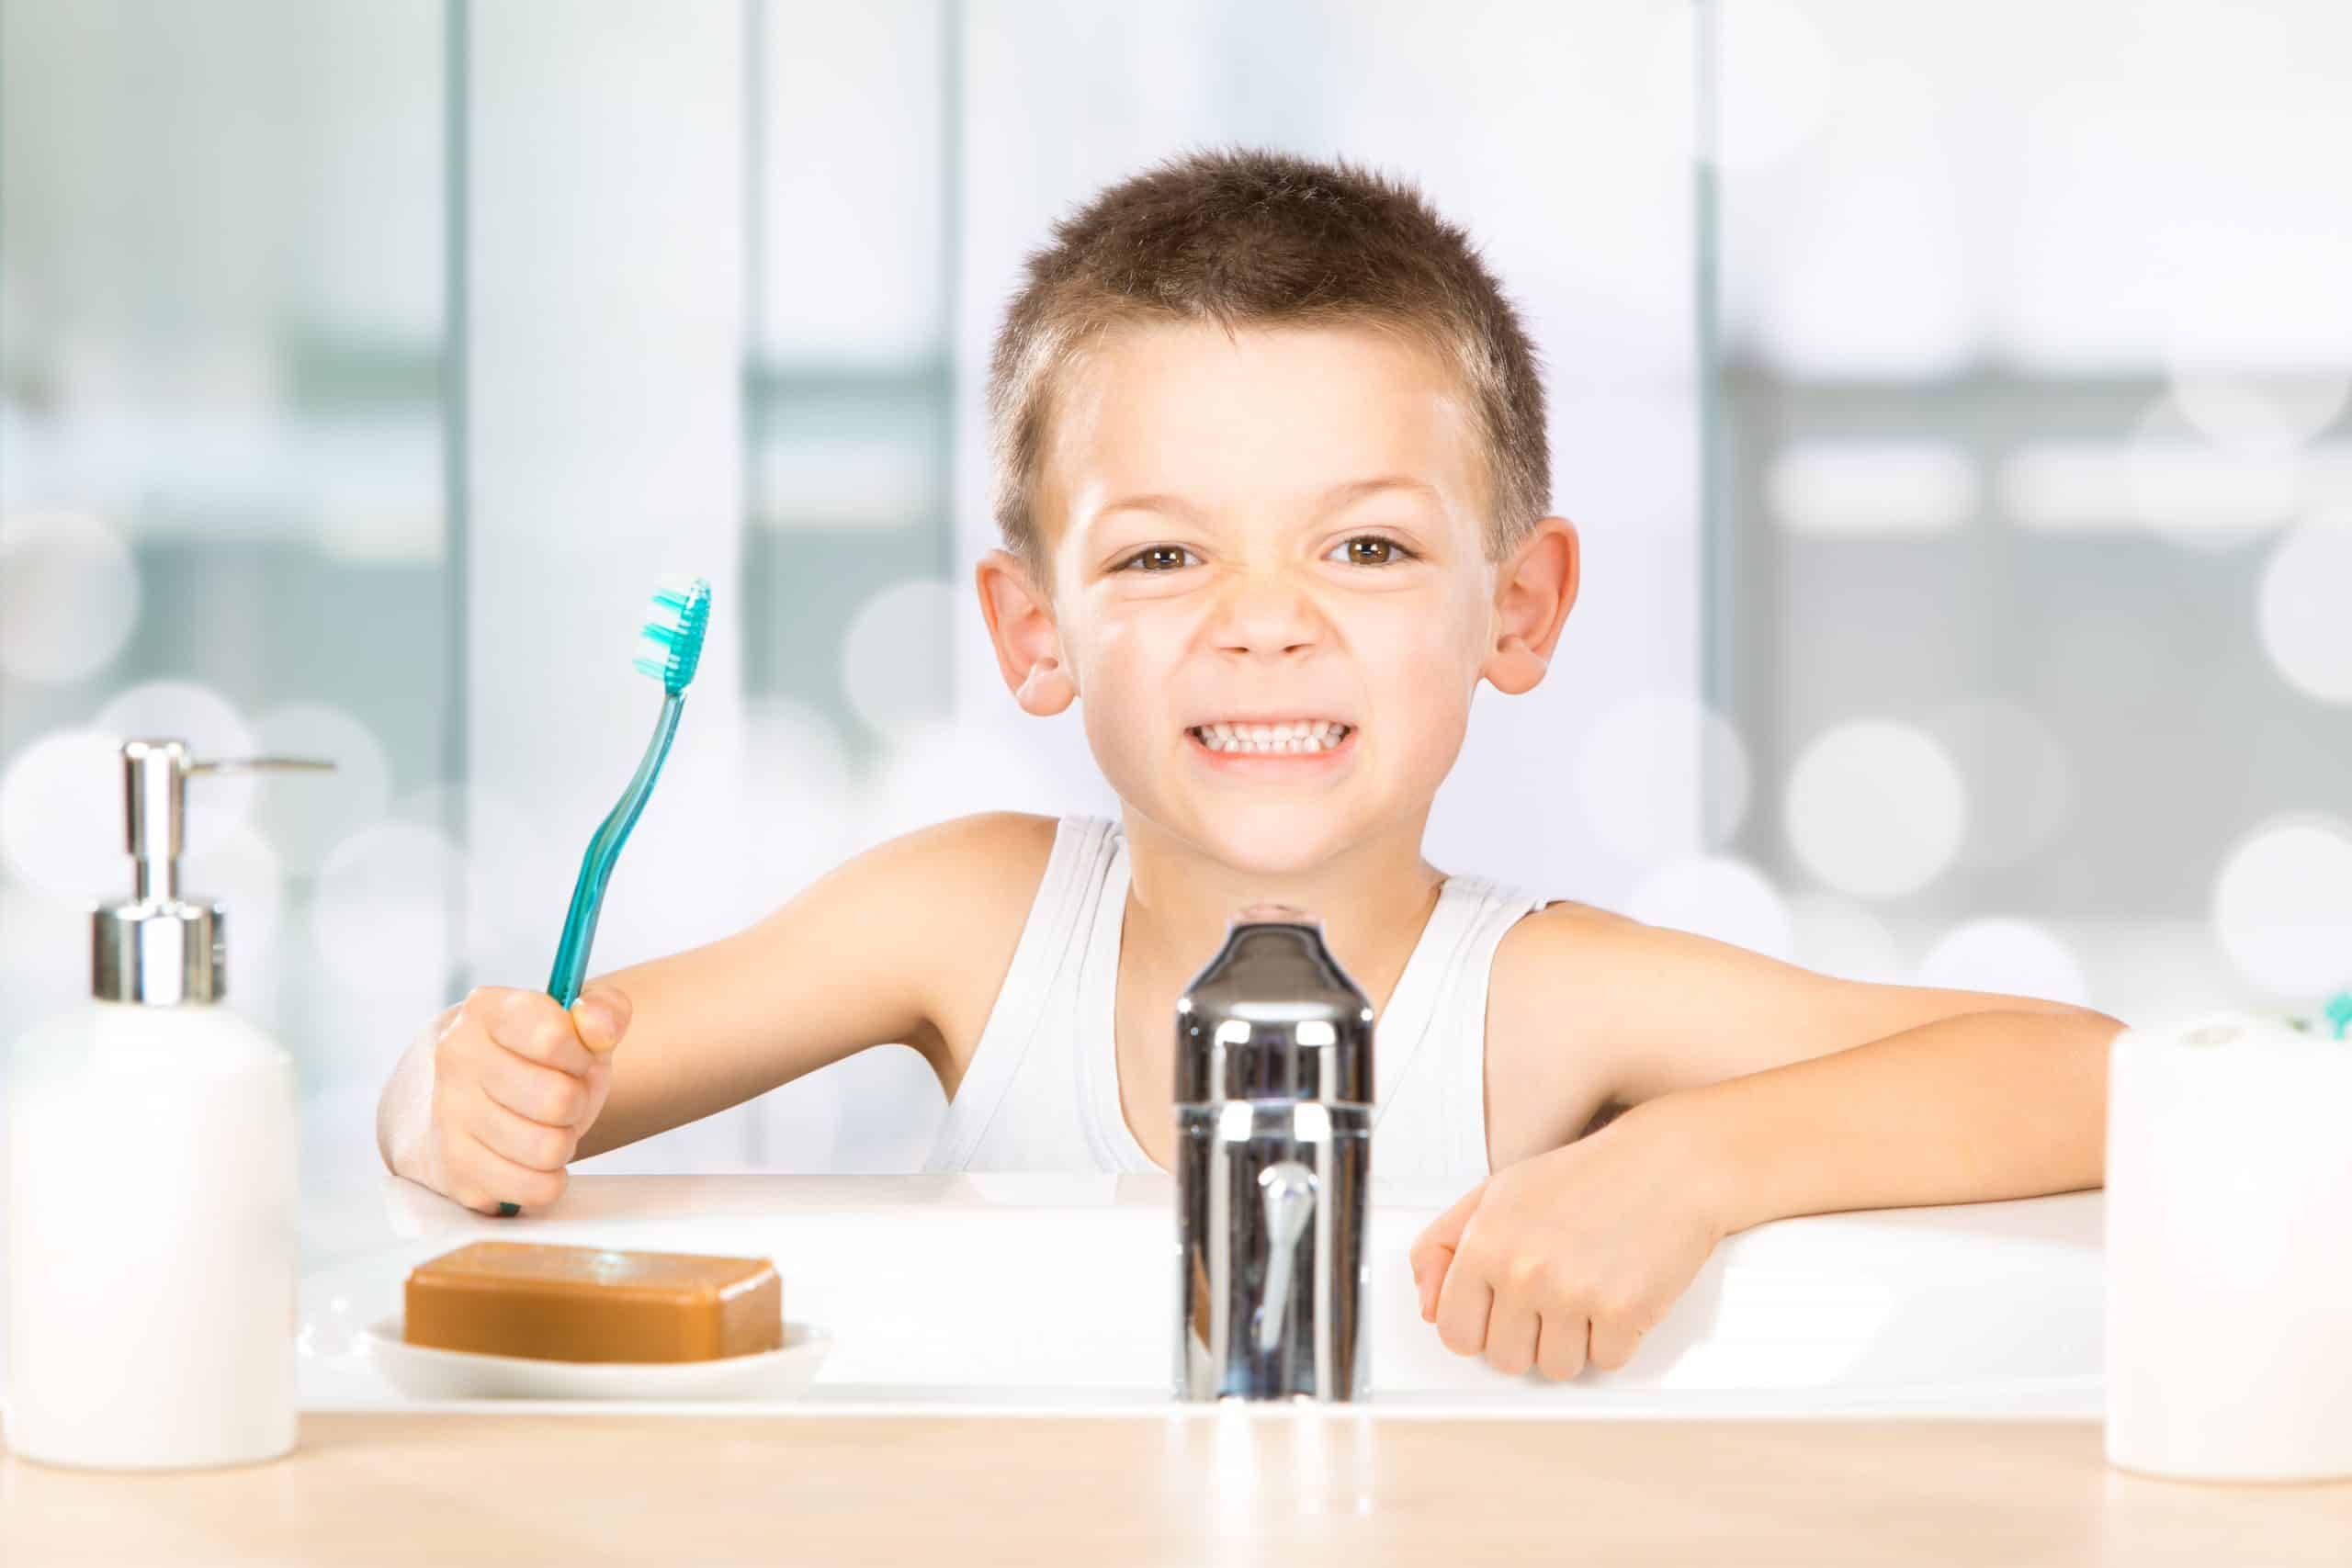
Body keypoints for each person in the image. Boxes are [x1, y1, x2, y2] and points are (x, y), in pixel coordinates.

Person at [378, 148, 2119, 1382]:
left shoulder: (1552, 1004)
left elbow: (2101, 1081)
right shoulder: (963, 922)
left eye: (1363, 551)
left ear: (1520, 607)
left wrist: (1690, 1164)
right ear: (1032, 630)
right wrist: (453, 1097)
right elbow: (513, 1111)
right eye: (1161, 556)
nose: (1264, 625)